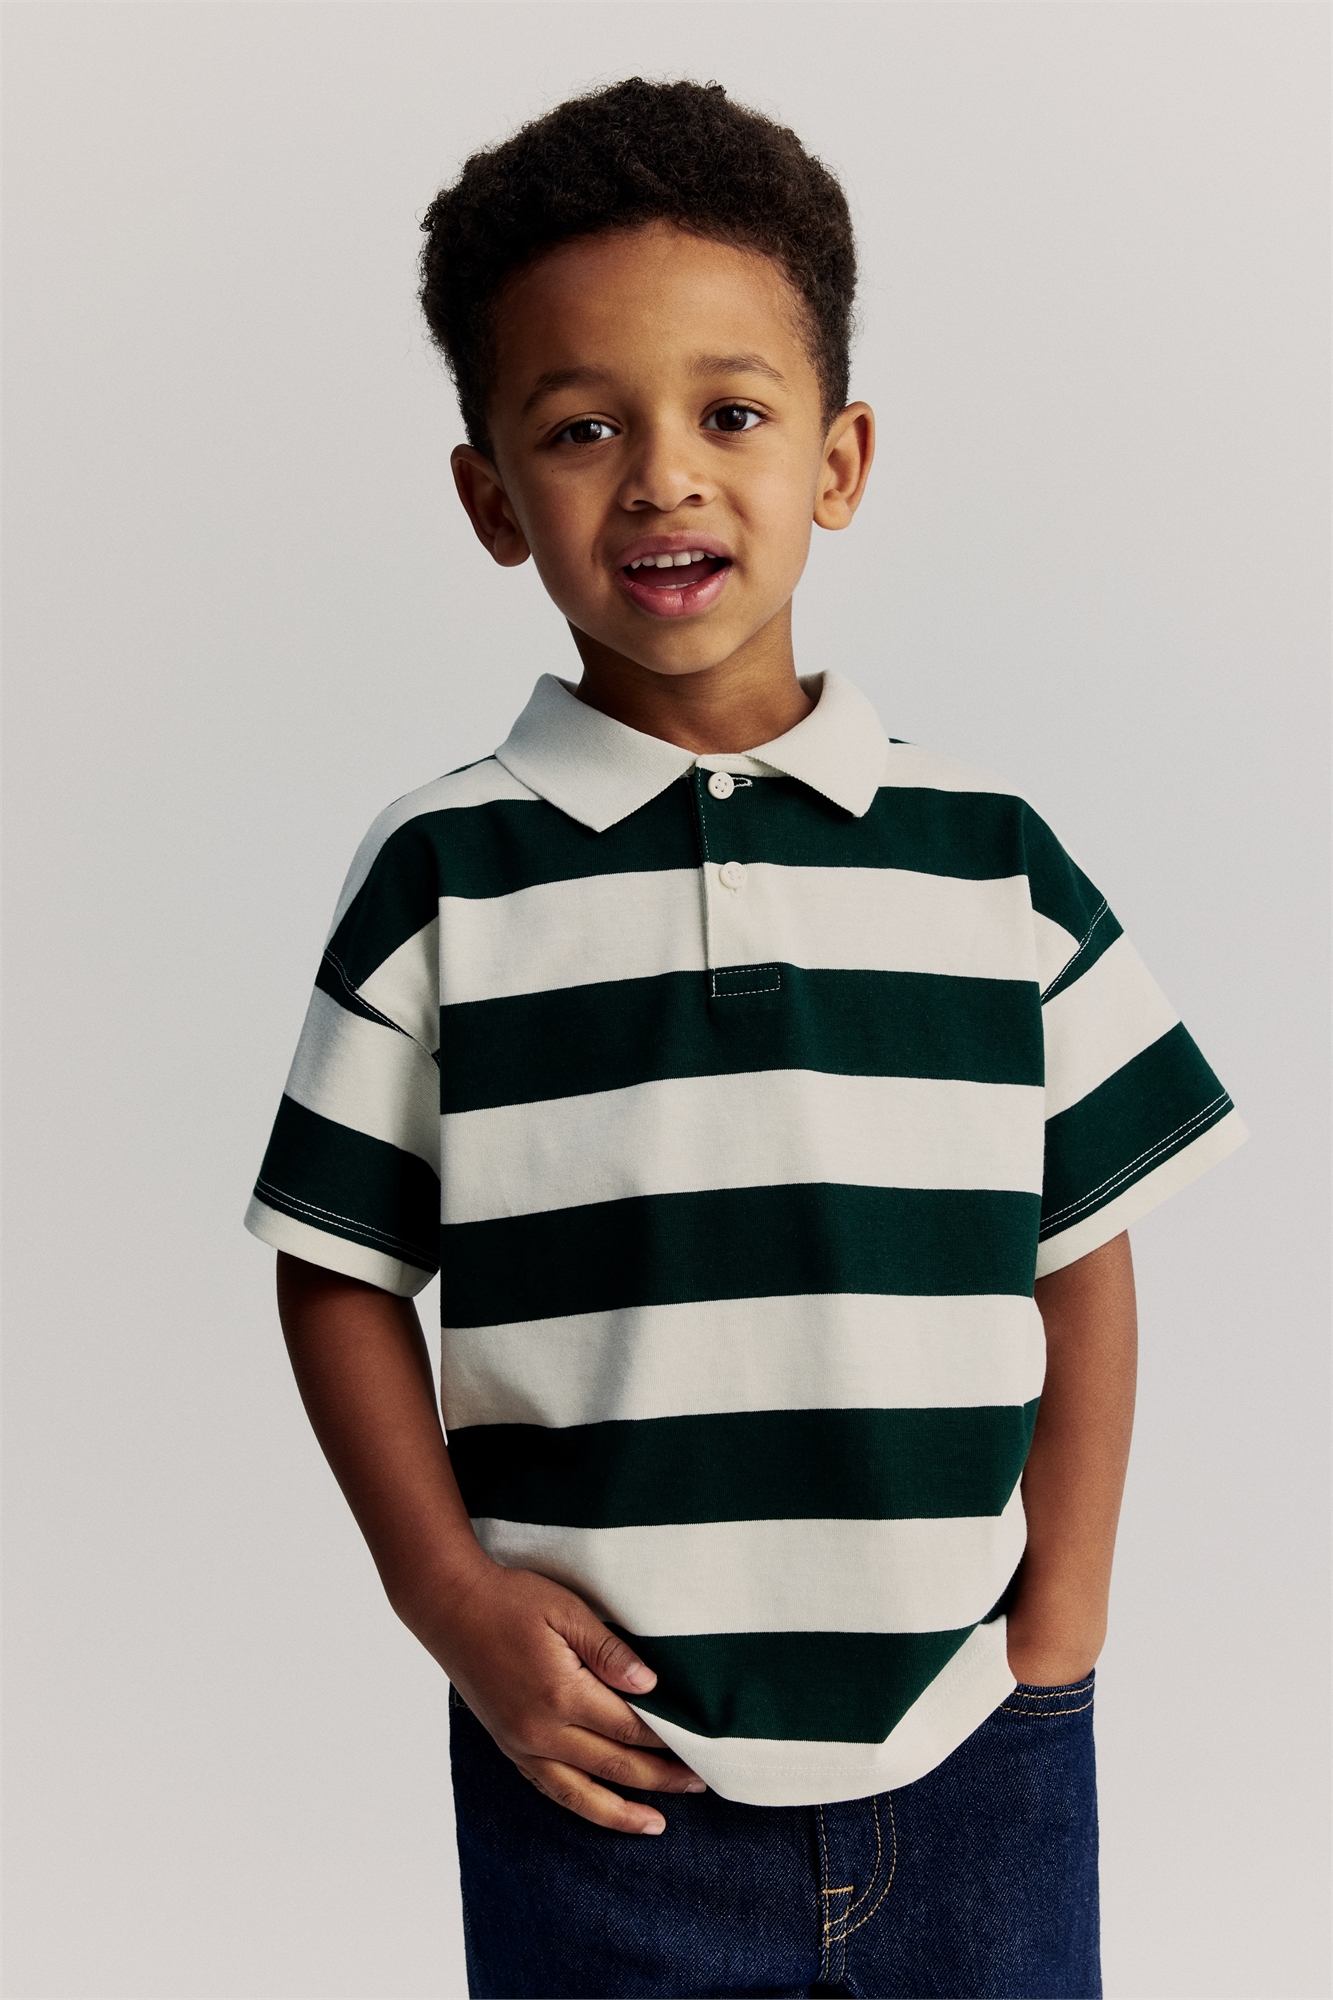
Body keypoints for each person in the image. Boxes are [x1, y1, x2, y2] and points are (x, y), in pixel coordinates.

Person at [245, 77, 1246, 2000]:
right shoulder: (450, 873)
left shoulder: (989, 858)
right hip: (599, 1774)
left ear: (838, 458)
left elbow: (1081, 1245)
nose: (661, 480)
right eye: (580, 427)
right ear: (489, 497)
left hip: (979, 1750)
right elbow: (338, 1271)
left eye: (729, 414)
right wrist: (446, 1597)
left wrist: (1062, 1622)